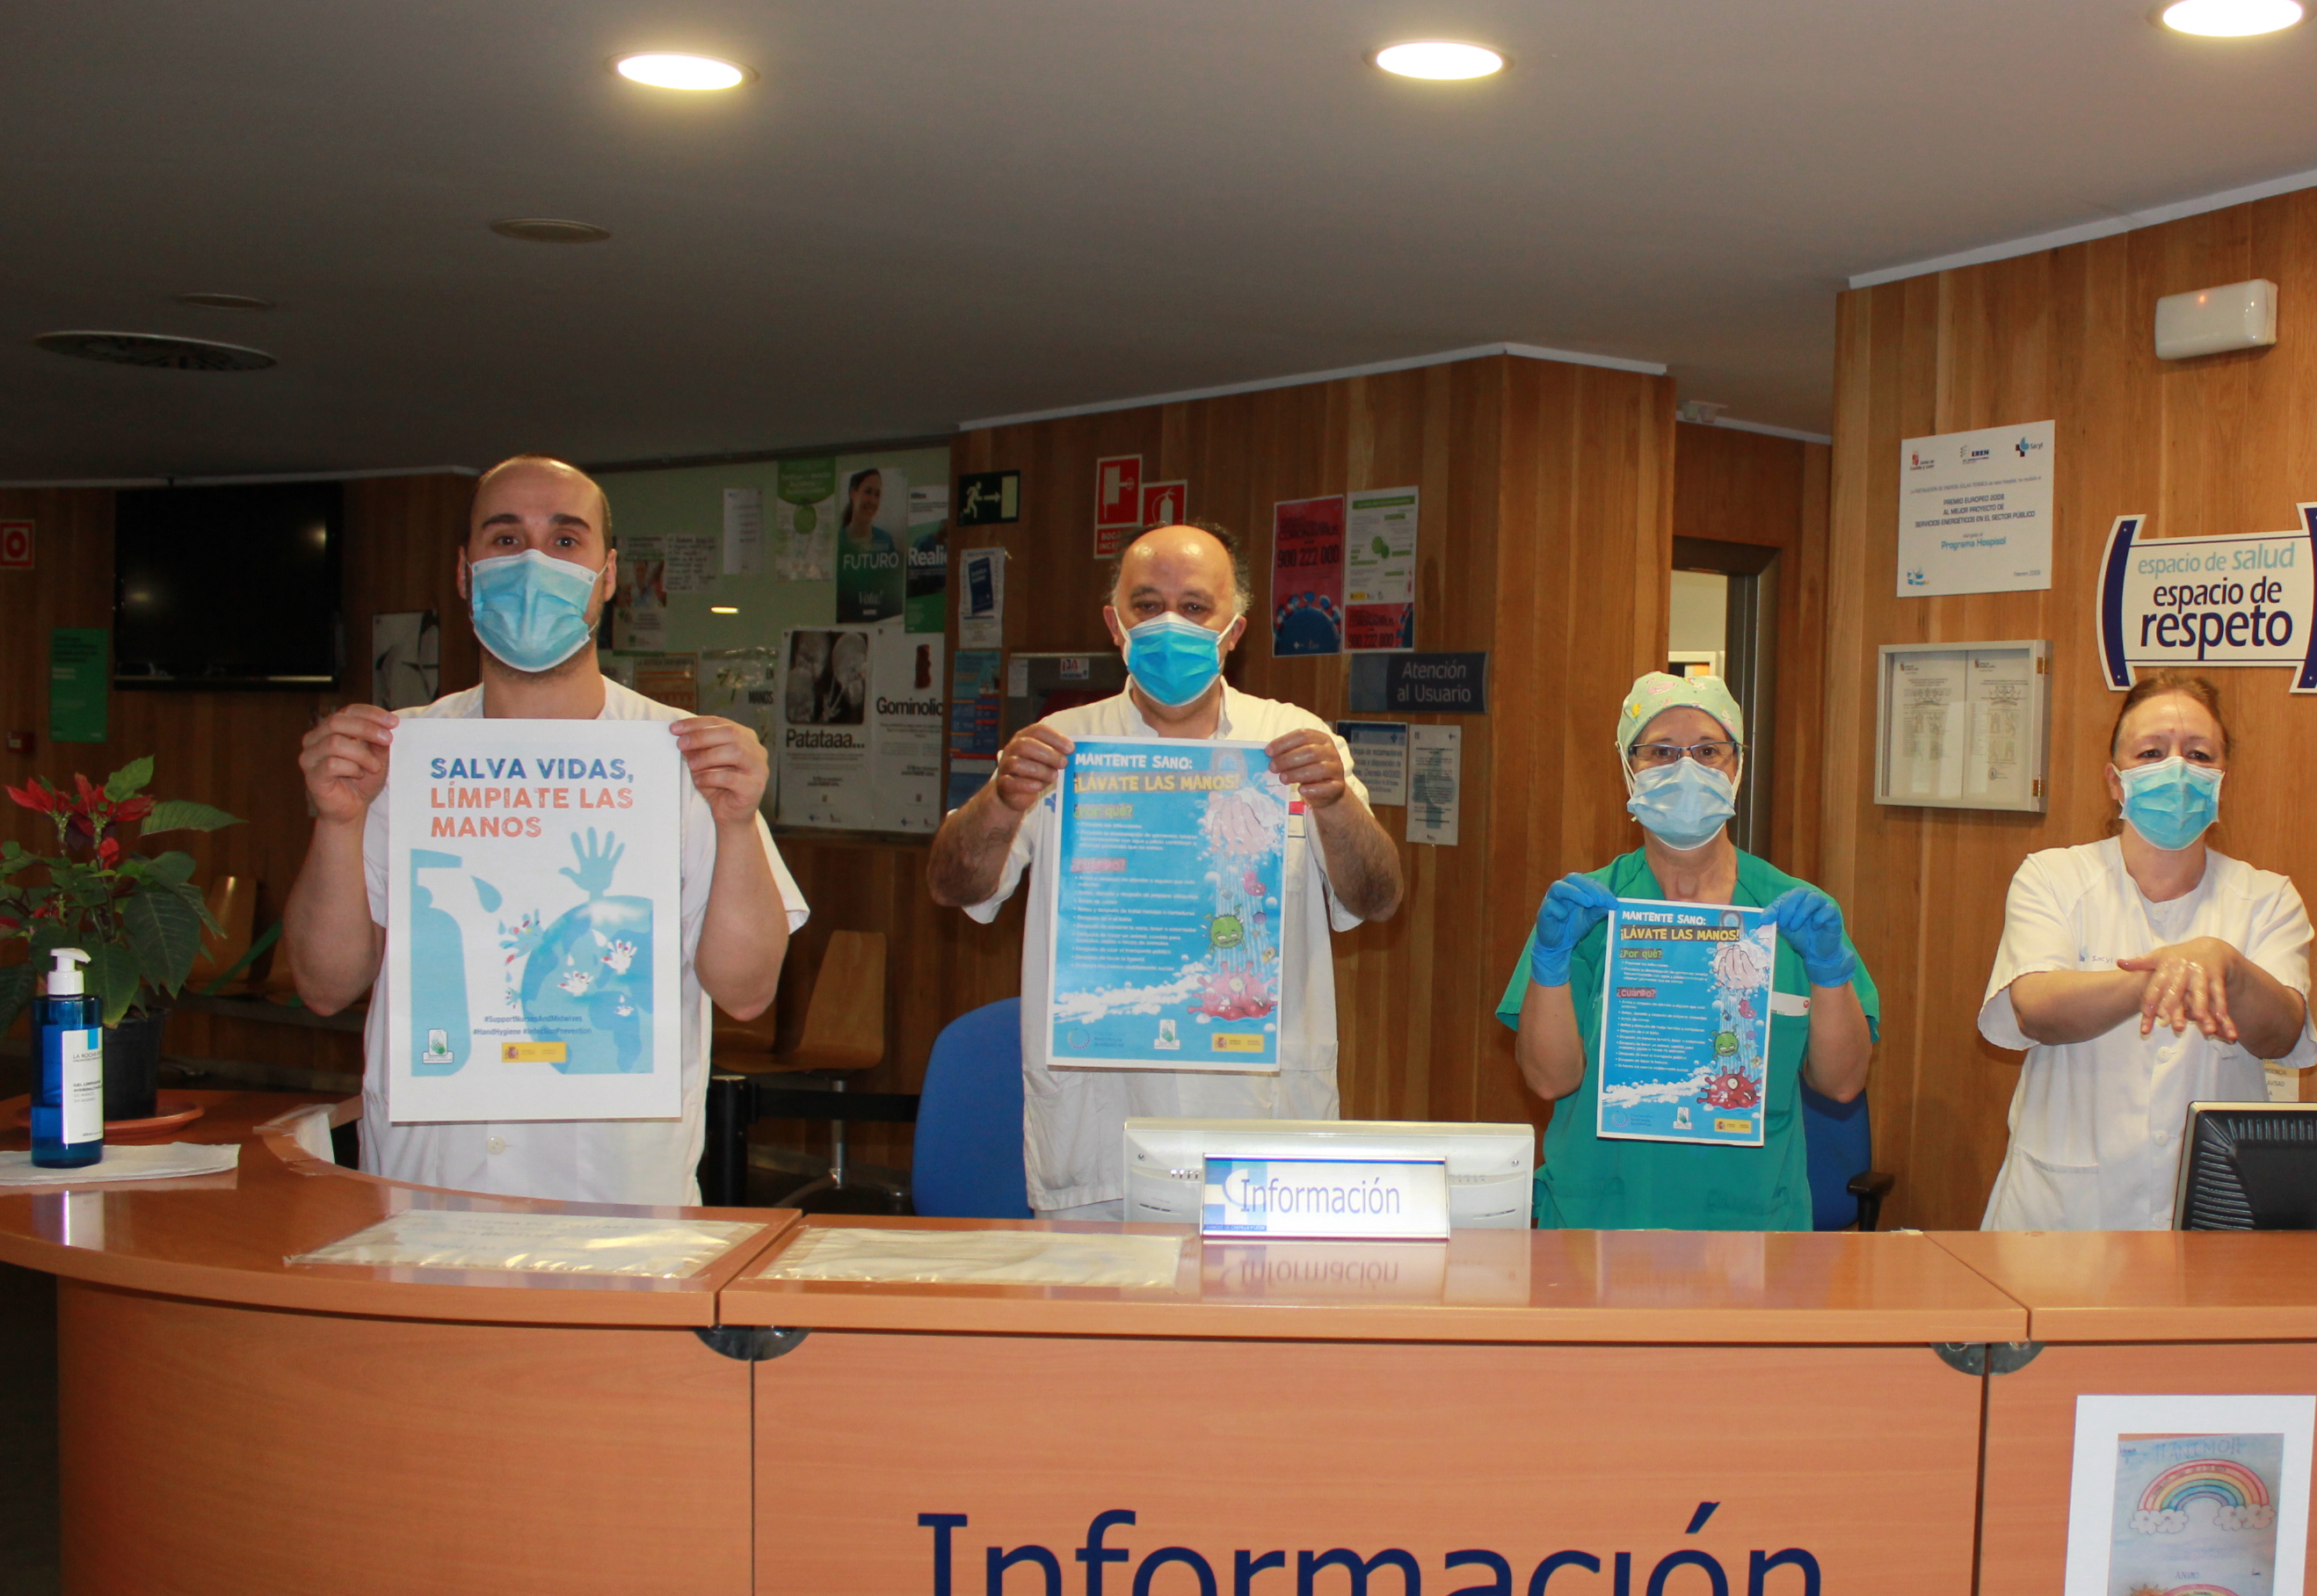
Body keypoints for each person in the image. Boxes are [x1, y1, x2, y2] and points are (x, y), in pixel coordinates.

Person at [286, 454, 809, 1203]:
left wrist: (734, 824)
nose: (534, 564)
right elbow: (325, 986)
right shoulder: (396, 759)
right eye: (506, 539)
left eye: (566, 541)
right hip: (421, 1196)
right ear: (464, 572)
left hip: (620, 1207)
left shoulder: (685, 761)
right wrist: (339, 823)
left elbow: (747, 992)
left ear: (608, 576)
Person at [924, 520, 1404, 1215]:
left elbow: (1377, 898)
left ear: (1233, 631)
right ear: (1114, 624)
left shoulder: (1296, 745)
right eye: (1147, 606)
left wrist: (1333, 803)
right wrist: (1001, 800)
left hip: (1262, 1132)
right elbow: (953, 885)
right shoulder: (1058, 749)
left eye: (1195, 607)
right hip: (1100, 1142)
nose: (1169, 625)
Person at [1497, 673, 1878, 1230]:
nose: (1686, 769)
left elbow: (1841, 1084)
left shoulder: (1791, 916)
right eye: (1661, 752)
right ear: (1628, 766)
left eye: (1707, 751)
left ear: (1737, 764)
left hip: (1748, 1232)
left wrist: (1828, 972)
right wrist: (1552, 963)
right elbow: (1550, 1081)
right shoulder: (1585, 913)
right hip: (1596, 1222)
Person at [1977, 672, 2317, 1230]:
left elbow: (2283, 1033)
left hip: (2211, 1214)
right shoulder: (2052, 878)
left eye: (2199, 754)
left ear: (2221, 781)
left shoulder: (2267, 898)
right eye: (2152, 753)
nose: (2177, 769)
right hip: (2065, 1218)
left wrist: (2228, 967)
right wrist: (2167, 974)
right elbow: (2035, 1008)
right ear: (2116, 781)